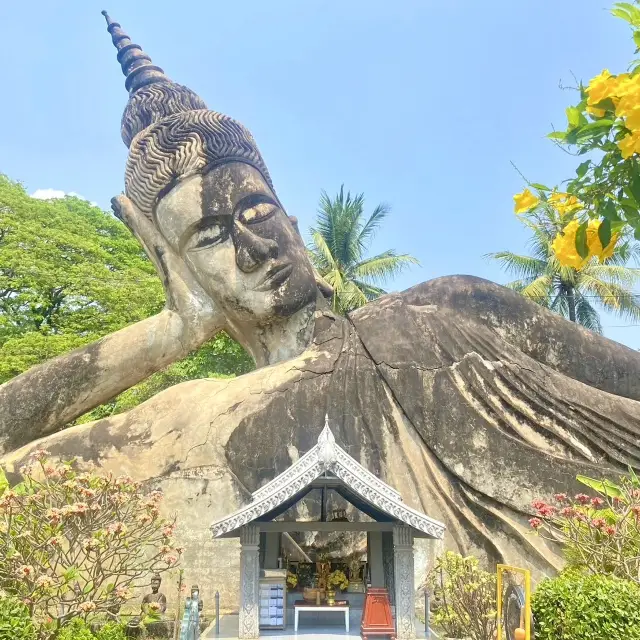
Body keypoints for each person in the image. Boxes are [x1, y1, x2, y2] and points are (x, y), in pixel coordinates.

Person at [1, 11, 639, 592]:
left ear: (296, 227)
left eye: (257, 210)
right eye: (212, 237)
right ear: (184, 268)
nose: (252, 246)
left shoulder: (444, 311)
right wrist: (176, 326)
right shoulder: (194, 416)